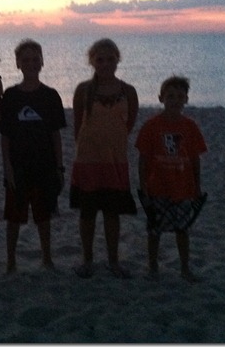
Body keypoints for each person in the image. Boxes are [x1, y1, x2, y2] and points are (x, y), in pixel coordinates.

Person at [70, 38, 139, 279]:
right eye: (100, 59)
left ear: (118, 60)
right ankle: (87, 260)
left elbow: (129, 124)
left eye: (110, 59)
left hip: (115, 161)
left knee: (112, 214)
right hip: (88, 161)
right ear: (92, 62)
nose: (106, 64)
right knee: (87, 214)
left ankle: (113, 261)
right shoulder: (83, 90)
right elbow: (78, 126)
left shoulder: (128, 91)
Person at [0, 39, 66, 274]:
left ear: (42, 62)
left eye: (35, 59)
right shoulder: (10, 96)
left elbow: (55, 135)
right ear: (17, 63)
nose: (31, 63)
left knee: (43, 217)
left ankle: (47, 258)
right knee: (14, 218)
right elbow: (5, 137)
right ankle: (11, 261)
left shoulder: (50, 96)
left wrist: (59, 167)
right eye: (25, 60)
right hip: (18, 166)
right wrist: (7, 167)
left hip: (44, 166)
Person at [135, 75, 208, 283]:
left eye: (179, 96)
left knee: (182, 230)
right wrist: (143, 185)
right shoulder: (151, 126)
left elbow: (195, 159)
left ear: (186, 99)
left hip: (183, 188)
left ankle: (185, 268)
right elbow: (143, 159)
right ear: (161, 98)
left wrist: (197, 186)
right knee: (154, 230)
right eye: (170, 96)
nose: (175, 100)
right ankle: (153, 268)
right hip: (157, 187)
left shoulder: (190, 127)